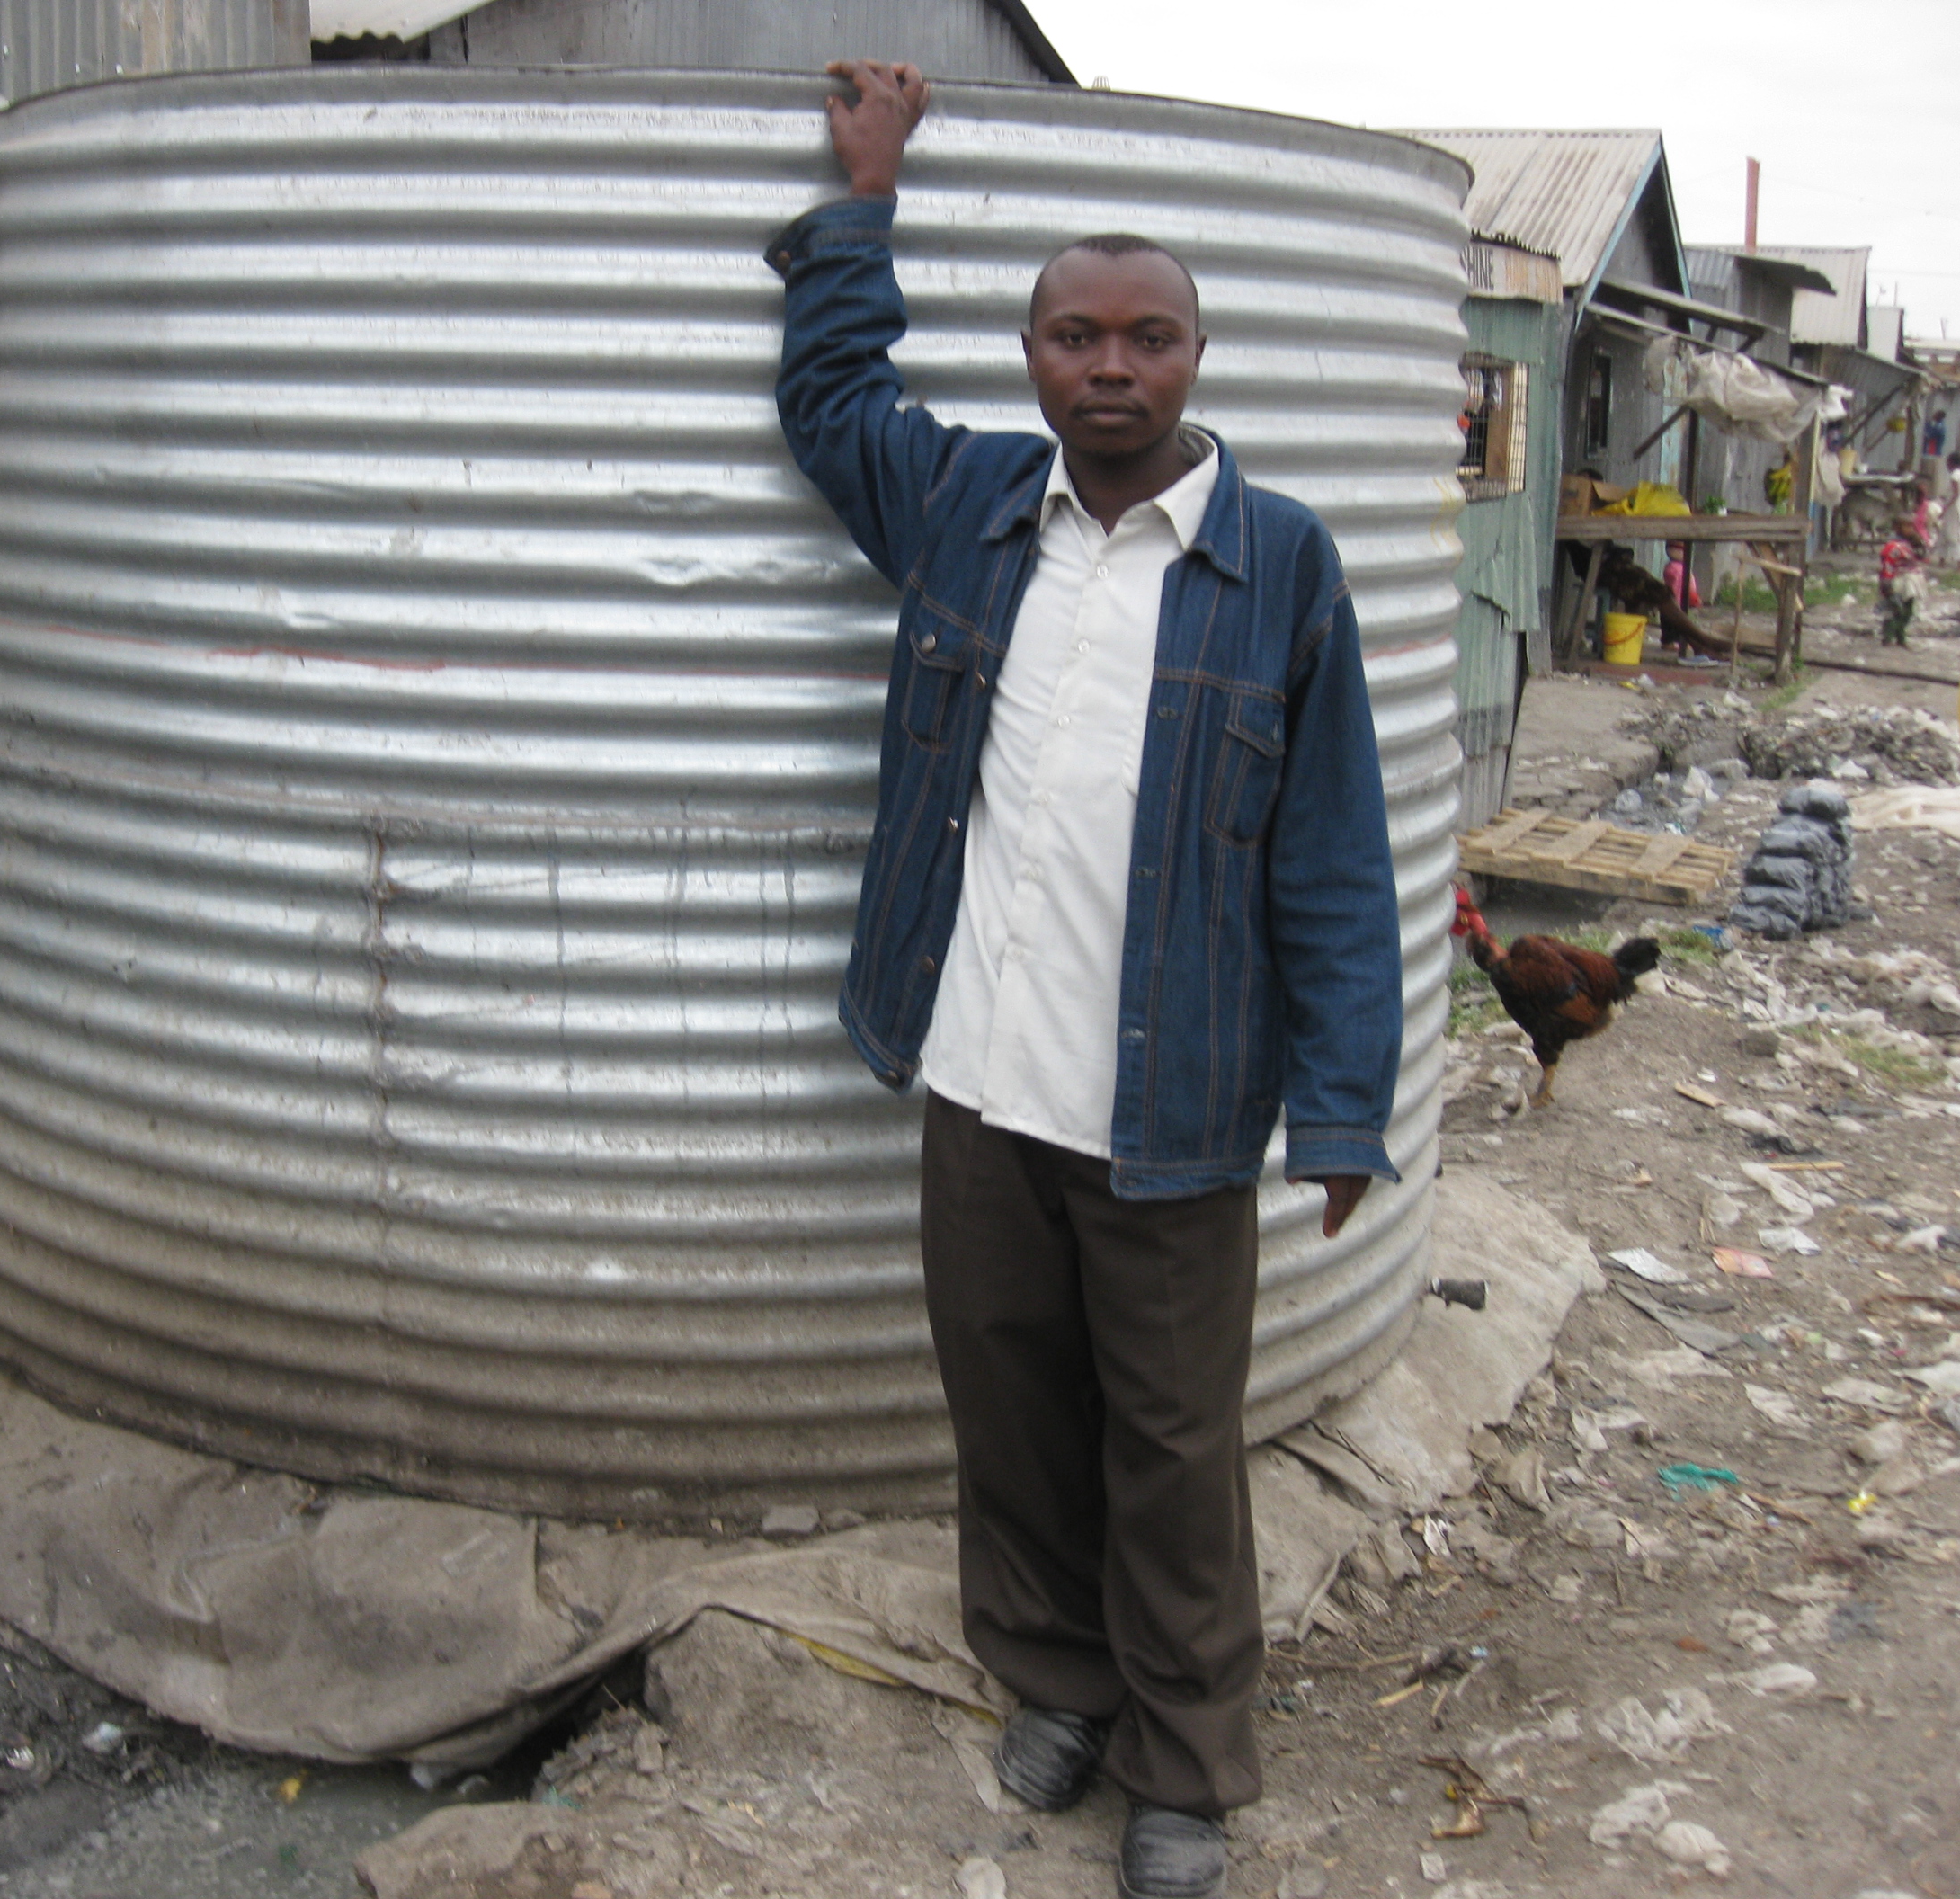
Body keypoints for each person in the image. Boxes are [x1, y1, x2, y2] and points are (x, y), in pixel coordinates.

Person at [765, 61, 1403, 1899]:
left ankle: (1185, 1768)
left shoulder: (1276, 567)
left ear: (1197, 357)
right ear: (1032, 354)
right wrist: (860, 190)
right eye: (1070, 336)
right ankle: (1050, 1683)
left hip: (1173, 1104)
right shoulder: (967, 507)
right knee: (1012, 1411)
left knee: (1175, 1446)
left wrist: (1343, 1098)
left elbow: (1334, 859)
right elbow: (829, 400)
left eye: (1144, 338)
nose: (1106, 368)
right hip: (977, 1075)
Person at [1878, 522, 1928, 646]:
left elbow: (1922, 556)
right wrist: (1886, 584)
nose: (1910, 530)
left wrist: (1919, 542)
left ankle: (1901, 637)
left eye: (1912, 527)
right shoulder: (1892, 546)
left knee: (1908, 611)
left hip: (1912, 582)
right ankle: (1888, 638)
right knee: (1895, 609)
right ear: (1898, 528)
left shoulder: (1911, 544)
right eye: (1907, 527)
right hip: (1899, 580)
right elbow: (1887, 566)